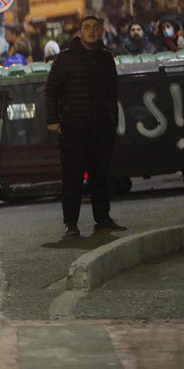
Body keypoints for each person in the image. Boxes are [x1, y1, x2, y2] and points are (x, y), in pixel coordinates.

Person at [45, 14, 124, 236]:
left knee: (100, 175)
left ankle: (103, 218)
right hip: (73, 128)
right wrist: (53, 120)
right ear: (79, 32)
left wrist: (113, 121)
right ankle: (71, 223)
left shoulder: (106, 58)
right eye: (87, 27)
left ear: (100, 31)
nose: (91, 31)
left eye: (95, 27)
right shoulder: (66, 59)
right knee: (73, 177)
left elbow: (112, 93)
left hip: (101, 127)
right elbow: (51, 90)